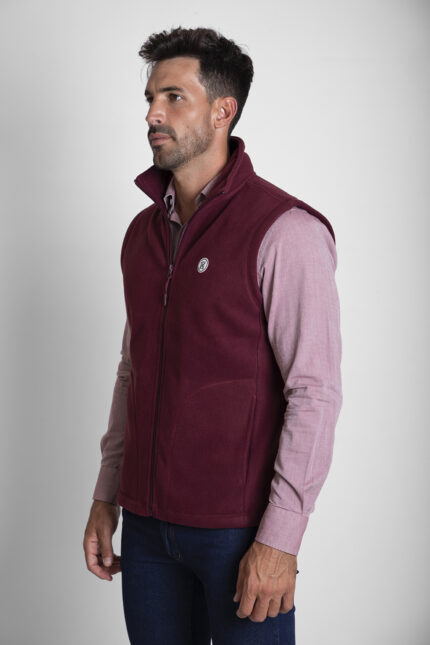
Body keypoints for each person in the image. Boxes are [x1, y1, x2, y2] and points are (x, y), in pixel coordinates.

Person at [83, 26, 343, 645]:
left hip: (239, 534)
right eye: (150, 98)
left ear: (223, 110)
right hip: (146, 531)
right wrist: (106, 495)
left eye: (173, 97)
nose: (153, 114)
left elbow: (314, 392)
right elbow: (132, 371)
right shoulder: (141, 235)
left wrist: (281, 539)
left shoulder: (286, 230)